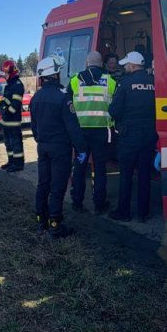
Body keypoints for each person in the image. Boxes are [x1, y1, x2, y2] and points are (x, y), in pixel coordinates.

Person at [31, 55, 87, 238]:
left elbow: (34, 127)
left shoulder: (36, 97)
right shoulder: (63, 97)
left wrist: (41, 140)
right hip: (60, 149)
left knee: (43, 184)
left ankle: (41, 222)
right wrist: (81, 149)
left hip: (43, 147)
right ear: (55, 74)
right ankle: (55, 225)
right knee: (57, 187)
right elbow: (73, 128)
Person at [108, 51, 157, 223]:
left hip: (129, 137)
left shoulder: (125, 83)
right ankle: (143, 213)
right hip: (150, 136)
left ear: (133, 65)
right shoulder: (154, 83)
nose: (125, 66)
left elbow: (113, 111)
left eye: (127, 64)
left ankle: (124, 212)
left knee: (126, 175)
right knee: (144, 175)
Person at [68, 51, 117, 214]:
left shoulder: (75, 80)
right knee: (100, 168)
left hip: (80, 135)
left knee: (80, 166)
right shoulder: (110, 81)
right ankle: (99, 203)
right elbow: (117, 106)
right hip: (101, 133)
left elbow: (66, 104)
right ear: (101, 63)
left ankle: (76, 202)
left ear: (87, 63)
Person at [0, 59, 25, 172]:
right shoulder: (9, 85)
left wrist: (6, 111)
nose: (4, 75)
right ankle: (11, 161)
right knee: (8, 143)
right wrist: (1, 108)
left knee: (16, 143)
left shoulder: (17, 85)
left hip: (13, 121)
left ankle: (18, 164)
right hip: (6, 121)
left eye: (5, 73)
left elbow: (15, 104)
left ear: (11, 72)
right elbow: (5, 100)